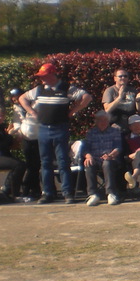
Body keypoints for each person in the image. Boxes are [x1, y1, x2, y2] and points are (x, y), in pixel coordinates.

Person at [18, 62, 92, 204]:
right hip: (44, 129)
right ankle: (48, 193)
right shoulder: (39, 90)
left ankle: (67, 193)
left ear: (53, 74)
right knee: (45, 162)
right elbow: (22, 98)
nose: (42, 79)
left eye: (45, 76)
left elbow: (86, 97)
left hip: (60, 128)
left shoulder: (66, 88)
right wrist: (32, 112)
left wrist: (73, 111)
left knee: (63, 161)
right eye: (41, 76)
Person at [82, 109, 124, 206]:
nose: (103, 122)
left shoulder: (115, 131)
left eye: (105, 120)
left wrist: (110, 155)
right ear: (96, 121)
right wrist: (88, 156)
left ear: (108, 121)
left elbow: (118, 147)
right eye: (100, 120)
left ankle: (111, 193)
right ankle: (93, 194)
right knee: (88, 163)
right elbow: (85, 149)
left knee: (107, 163)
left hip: (111, 159)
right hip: (95, 159)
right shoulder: (91, 132)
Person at [9, 87, 41, 198]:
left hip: (38, 136)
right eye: (13, 98)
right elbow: (17, 122)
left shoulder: (34, 104)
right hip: (26, 137)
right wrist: (18, 132)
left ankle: (31, 188)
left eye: (17, 97)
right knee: (31, 164)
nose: (15, 100)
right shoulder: (16, 108)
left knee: (36, 165)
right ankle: (31, 188)